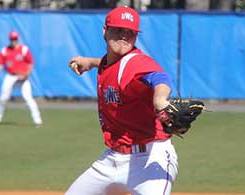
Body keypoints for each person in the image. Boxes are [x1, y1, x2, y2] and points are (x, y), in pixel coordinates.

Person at [67, 6, 178, 195]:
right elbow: (108, 64)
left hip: (150, 158)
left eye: (130, 33)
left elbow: (160, 77)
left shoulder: (135, 62)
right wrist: (90, 62)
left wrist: (160, 100)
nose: (124, 36)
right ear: (105, 31)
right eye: (118, 30)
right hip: (112, 159)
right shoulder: (110, 62)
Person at [0, 31, 42, 127]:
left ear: (18, 39)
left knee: (28, 98)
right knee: (3, 98)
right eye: (12, 39)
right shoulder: (5, 51)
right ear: (10, 40)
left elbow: (30, 63)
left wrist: (26, 74)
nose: (14, 41)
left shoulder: (24, 50)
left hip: (22, 77)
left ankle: (37, 121)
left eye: (15, 39)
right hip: (10, 76)